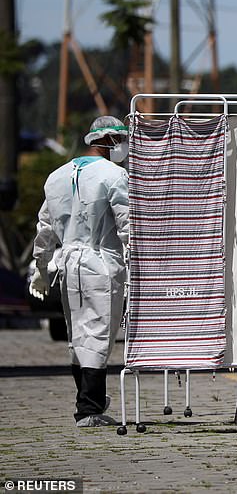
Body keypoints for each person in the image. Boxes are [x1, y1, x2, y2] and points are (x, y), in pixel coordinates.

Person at [31, 116, 130, 427]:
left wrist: (40, 268)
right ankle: (88, 409)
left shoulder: (56, 176)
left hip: (68, 262)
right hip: (102, 265)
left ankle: (91, 401)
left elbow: (44, 228)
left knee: (78, 336)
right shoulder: (115, 175)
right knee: (99, 335)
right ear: (111, 142)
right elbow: (129, 228)